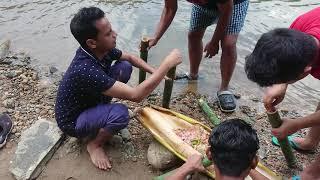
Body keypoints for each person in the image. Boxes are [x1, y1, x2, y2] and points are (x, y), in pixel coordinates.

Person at [55, 7, 182, 171]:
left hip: (89, 100)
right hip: (73, 120)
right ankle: (94, 145)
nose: (115, 34)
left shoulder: (100, 50)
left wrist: (155, 71)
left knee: (125, 66)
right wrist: (166, 65)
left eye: (112, 29)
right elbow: (136, 95)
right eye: (108, 34)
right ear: (92, 42)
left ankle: (100, 115)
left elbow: (130, 57)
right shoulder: (85, 69)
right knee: (121, 114)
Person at [245, 7, 320, 179]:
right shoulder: (298, 29)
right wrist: (282, 85)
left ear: (306, 71)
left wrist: (297, 123)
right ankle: (310, 142)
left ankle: (313, 173)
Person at [149, 0, 249, 112]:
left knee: (228, 44)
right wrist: (156, 37)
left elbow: (226, 11)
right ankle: (193, 75)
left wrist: (214, 42)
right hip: (203, 7)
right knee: (193, 35)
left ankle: (224, 89)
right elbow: (169, 8)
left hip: (234, 5)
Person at [167, 119, 265, 180]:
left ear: (209, 153)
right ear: (255, 162)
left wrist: (186, 168)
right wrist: (243, 161)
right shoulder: (252, 163)